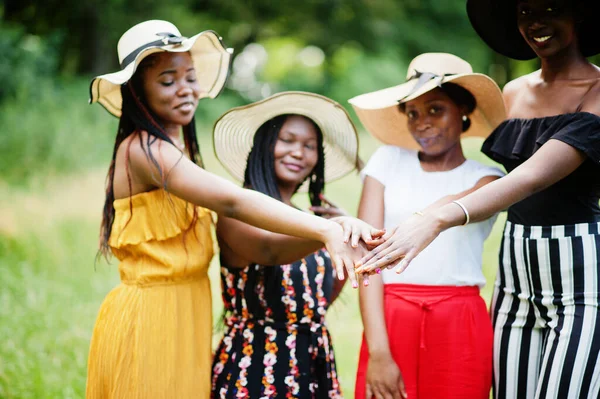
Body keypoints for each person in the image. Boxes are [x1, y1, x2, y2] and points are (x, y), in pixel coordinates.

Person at [85, 20, 379, 399]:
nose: (185, 89)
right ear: (138, 90)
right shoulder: (144, 149)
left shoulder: (176, 150)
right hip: (152, 313)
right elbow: (233, 202)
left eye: (190, 76)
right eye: (167, 80)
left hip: (187, 311)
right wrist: (326, 230)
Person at [356, 1, 600, 397]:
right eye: (523, 11)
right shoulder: (514, 92)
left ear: (580, 12)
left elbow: (531, 177)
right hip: (515, 274)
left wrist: (436, 217)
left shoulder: (597, 90)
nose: (536, 22)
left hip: (579, 271)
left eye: (552, 6)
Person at [349, 53, 506, 399]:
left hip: (459, 323)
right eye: (413, 112)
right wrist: (379, 353)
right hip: (390, 319)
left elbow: (460, 205)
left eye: (436, 109)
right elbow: (367, 261)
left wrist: (426, 216)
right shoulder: (387, 161)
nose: (422, 122)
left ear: (463, 110)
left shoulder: (488, 177)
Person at [210, 91, 360, 399]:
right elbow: (270, 250)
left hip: (312, 362)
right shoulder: (236, 212)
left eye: (309, 146)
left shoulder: (309, 220)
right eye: (287, 140)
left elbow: (314, 302)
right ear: (265, 145)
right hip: (256, 368)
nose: (298, 153)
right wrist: (332, 230)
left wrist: (350, 240)